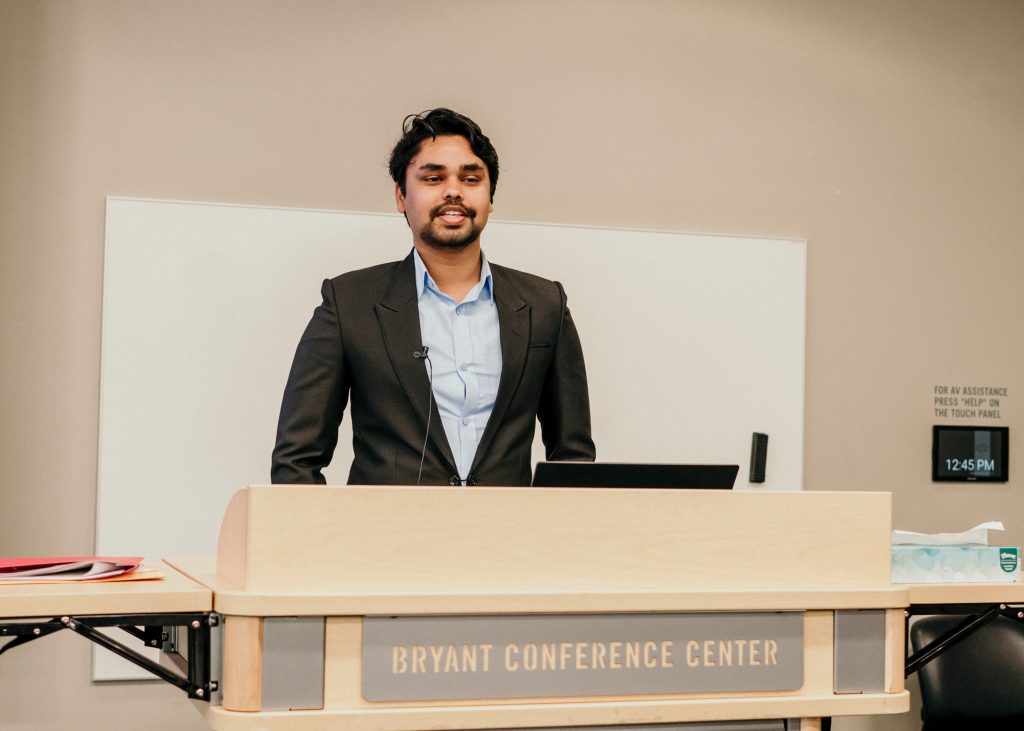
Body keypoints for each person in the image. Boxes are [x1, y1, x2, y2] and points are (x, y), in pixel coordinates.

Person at [271, 108, 595, 486]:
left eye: (471, 178)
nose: (453, 190)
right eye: (433, 177)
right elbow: (296, 461)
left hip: (508, 538)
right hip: (386, 539)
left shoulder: (545, 304)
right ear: (401, 196)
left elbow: (573, 459)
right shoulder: (349, 303)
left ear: (490, 197)